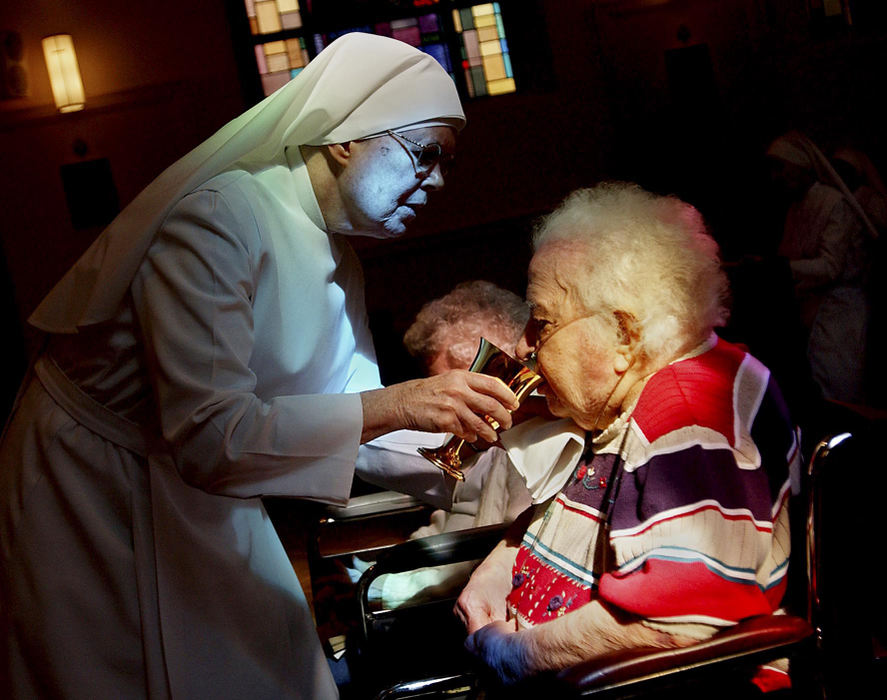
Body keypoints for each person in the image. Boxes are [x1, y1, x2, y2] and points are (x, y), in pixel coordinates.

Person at [0, 33, 521, 700]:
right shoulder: (219, 220)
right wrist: (401, 405)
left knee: (270, 668)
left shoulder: (338, 256)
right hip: (89, 486)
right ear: (344, 137)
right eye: (424, 155)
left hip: (195, 480)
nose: (436, 181)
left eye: (446, 164)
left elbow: (348, 419)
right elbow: (212, 433)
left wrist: (493, 454)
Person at [455, 182, 799, 690]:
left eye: (543, 321)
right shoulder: (625, 397)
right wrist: (496, 572)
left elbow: (675, 618)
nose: (524, 344)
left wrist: (512, 653)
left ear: (625, 335)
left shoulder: (690, 409)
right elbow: (573, 511)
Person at [357, 281, 534, 609]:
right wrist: (376, 571)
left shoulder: (525, 444)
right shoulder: (487, 442)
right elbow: (450, 522)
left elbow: (479, 554)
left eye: (451, 386)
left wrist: (378, 589)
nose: (443, 409)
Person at [767, 131, 879, 405]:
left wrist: (782, 268)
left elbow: (831, 266)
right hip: (809, 308)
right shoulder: (796, 207)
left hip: (841, 314)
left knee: (839, 387)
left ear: (800, 166)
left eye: (781, 168)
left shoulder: (835, 204)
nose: (776, 177)